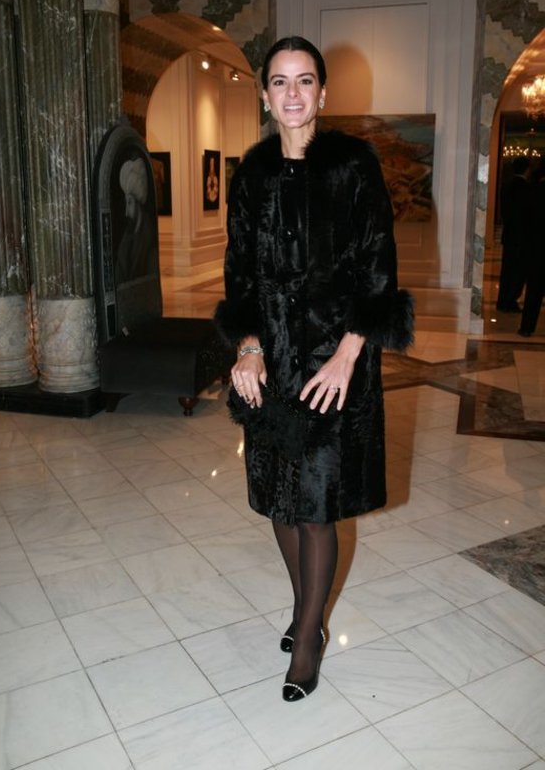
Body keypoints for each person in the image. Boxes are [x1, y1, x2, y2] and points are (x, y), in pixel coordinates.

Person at [214, 36, 414, 702]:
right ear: (265, 95)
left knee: (317, 505)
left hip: (336, 364)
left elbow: (378, 271)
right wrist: (247, 347)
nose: (293, 93)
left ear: (323, 94)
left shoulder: (353, 168)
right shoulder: (252, 176)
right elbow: (239, 275)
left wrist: (348, 356)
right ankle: (307, 609)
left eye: (305, 81)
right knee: (279, 496)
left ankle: (308, 637)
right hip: (270, 364)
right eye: (280, 81)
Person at [496, 155, 533, 313]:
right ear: (527, 170)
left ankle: (503, 299)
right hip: (522, 237)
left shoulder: (506, 186)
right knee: (518, 271)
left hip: (509, 235)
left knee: (507, 270)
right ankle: (510, 300)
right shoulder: (527, 188)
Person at [115, 157, 158, 284]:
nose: (126, 212)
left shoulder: (148, 240)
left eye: (129, 203)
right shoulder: (128, 237)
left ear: (138, 203)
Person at [518, 161, 545, 337]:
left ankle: (527, 328)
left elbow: (524, 222)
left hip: (535, 249)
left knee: (533, 291)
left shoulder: (532, 191)